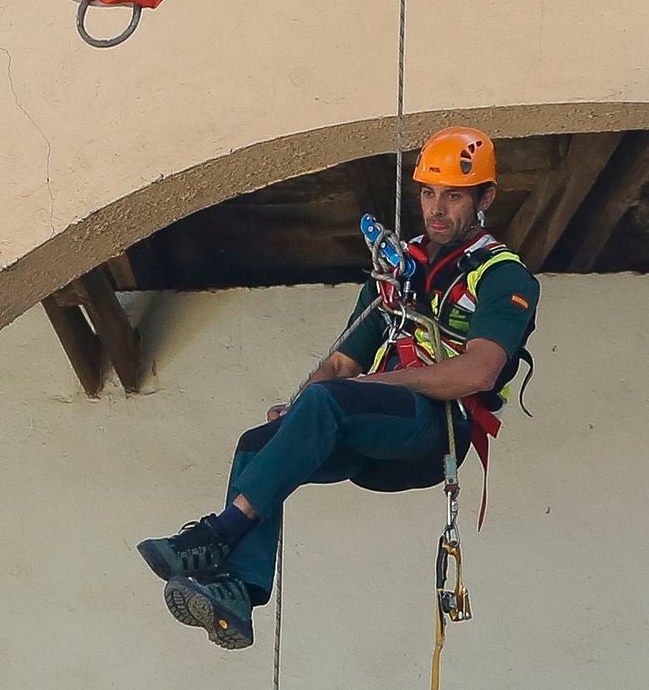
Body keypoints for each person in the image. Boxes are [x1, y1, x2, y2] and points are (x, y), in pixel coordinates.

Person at [138, 126, 540, 650]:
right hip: (374, 436)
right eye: (428, 193)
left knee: (329, 404)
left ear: (485, 198)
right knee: (260, 444)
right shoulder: (400, 269)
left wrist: (360, 389)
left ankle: (220, 533)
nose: (437, 209)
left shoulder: (504, 277)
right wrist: (302, 410)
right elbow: (341, 361)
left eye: (455, 196)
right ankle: (241, 589)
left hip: (434, 434)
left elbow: (477, 373)